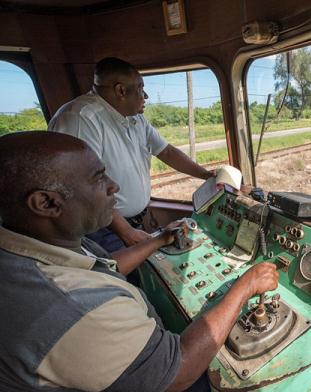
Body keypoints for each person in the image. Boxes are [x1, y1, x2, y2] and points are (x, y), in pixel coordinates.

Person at [0, 131, 279, 391]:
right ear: (46, 203)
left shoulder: (33, 243)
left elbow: (104, 266)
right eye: (98, 178)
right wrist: (244, 287)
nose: (114, 186)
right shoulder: (72, 309)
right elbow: (179, 370)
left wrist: (156, 240)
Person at [48, 57, 215, 253]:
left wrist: (207, 175)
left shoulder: (136, 118)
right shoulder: (81, 118)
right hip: (102, 227)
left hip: (131, 222)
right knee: (123, 279)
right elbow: (80, 184)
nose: (145, 95)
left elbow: (167, 152)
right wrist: (125, 231)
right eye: (140, 88)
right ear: (121, 91)